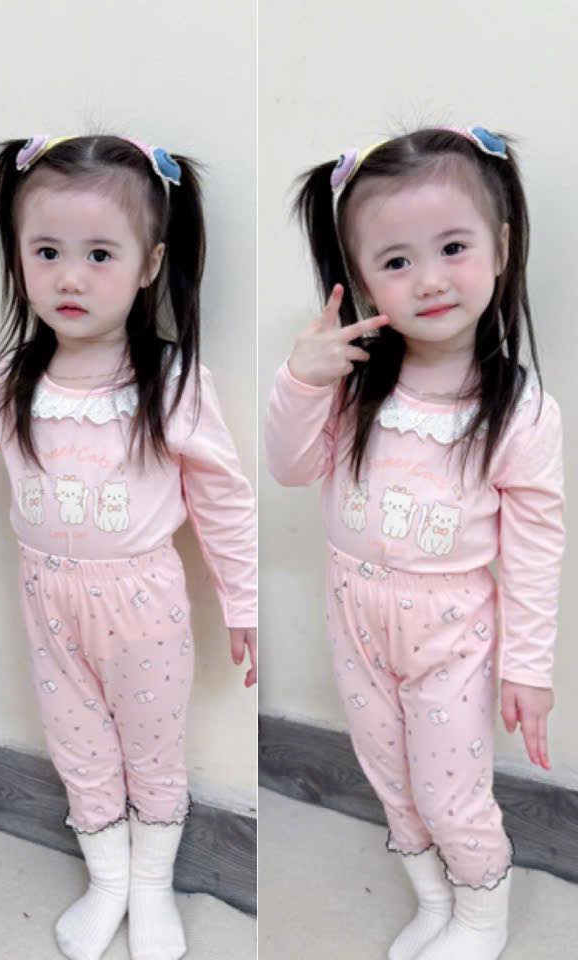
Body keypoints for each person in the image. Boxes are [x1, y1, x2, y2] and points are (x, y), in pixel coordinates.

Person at [0, 134, 257, 960]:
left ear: (150, 265)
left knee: (152, 749)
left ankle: (151, 884)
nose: (70, 278)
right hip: (47, 600)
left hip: (144, 603)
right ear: (19, 258)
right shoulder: (14, 380)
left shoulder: (174, 383)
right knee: (77, 745)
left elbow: (222, 497)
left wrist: (243, 600)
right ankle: (107, 877)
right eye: (47, 252)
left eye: (99, 255)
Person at [265, 126, 564, 960]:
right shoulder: (353, 386)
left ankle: (481, 914)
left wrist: (529, 667)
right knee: (389, 771)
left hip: (451, 628)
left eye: (453, 248)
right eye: (396, 261)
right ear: (361, 281)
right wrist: (300, 380)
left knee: (449, 785)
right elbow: (289, 468)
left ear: (502, 248)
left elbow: (536, 548)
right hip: (354, 613)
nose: (429, 279)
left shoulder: (521, 411)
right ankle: (434, 898)